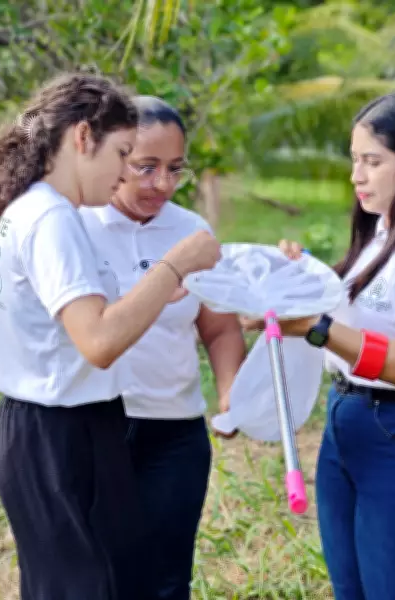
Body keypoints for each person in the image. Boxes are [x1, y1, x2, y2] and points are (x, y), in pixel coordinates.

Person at [0, 72, 221, 600]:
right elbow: (98, 342)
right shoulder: (54, 221)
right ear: (81, 138)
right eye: (122, 153)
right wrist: (172, 265)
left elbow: (27, 329)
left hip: (49, 429)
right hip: (63, 433)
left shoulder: (30, 210)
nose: (123, 172)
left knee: (85, 583)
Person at [243, 90, 395, 599]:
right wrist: (298, 275)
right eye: (355, 161)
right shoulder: (386, 232)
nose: (357, 175)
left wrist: (316, 326)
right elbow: (353, 313)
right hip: (350, 431)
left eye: (373, 162)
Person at [78, 95, 247, 600]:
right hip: (93, 429)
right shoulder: (75, 226)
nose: (163, 185)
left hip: (174, 435)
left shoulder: (193, 232)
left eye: (175, 169)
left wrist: (229, 391)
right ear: (114, 155)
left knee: (166, 581)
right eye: (145, 167)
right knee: (96, 578)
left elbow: (219, 328)